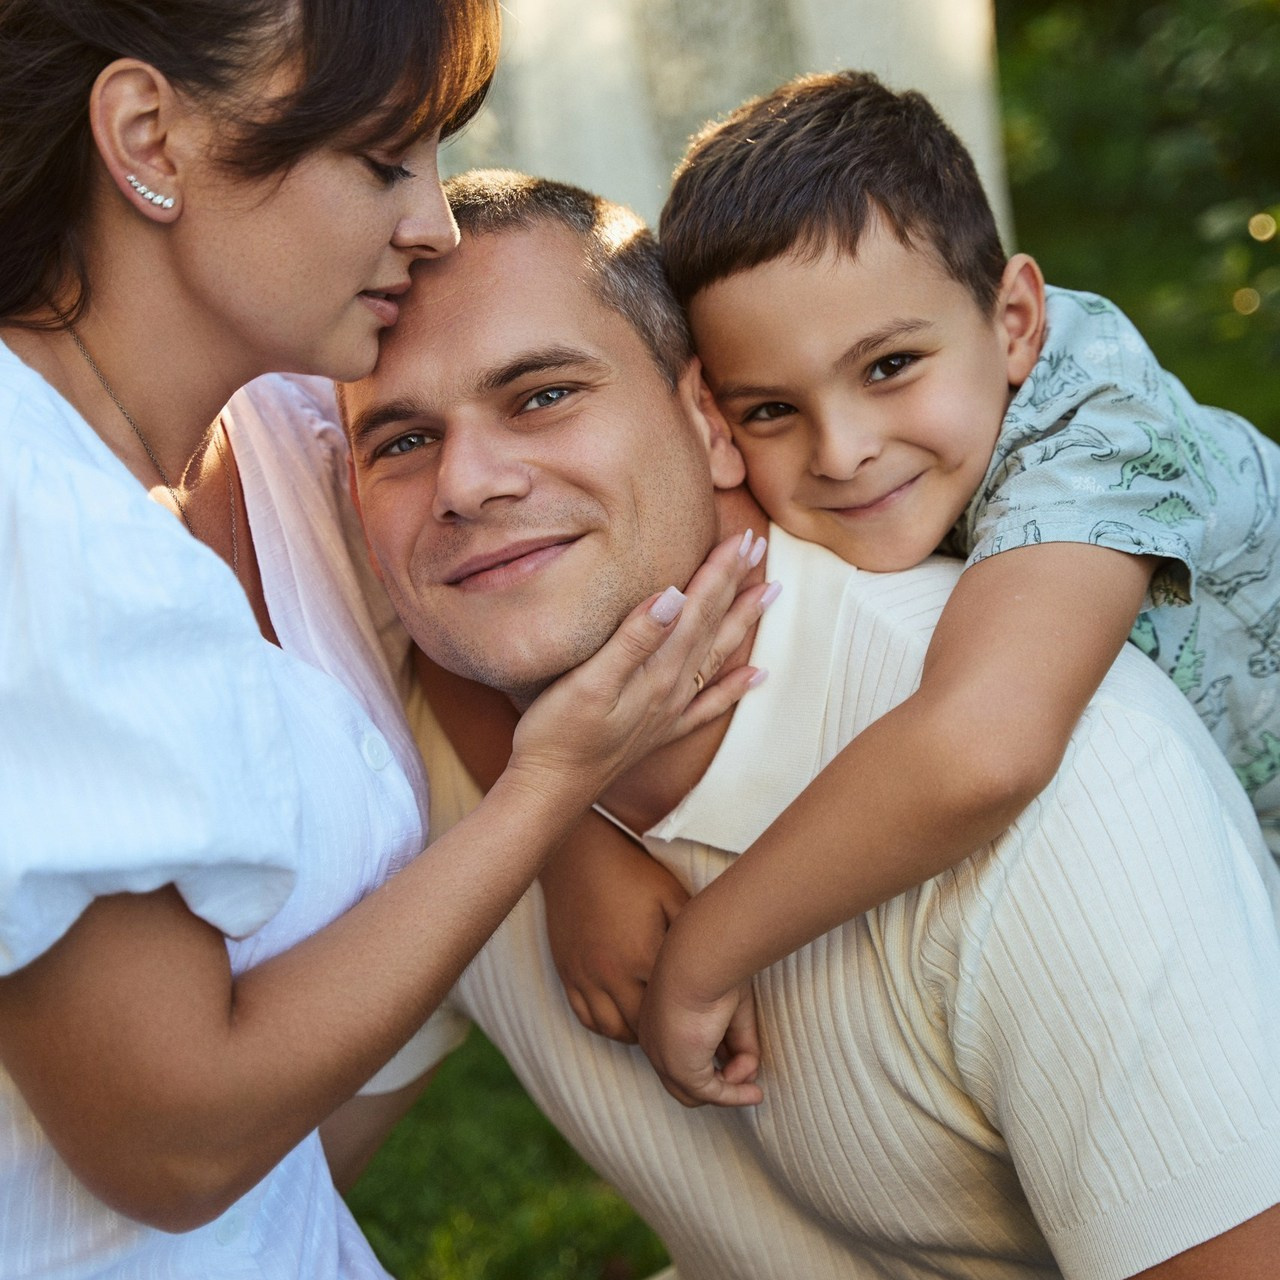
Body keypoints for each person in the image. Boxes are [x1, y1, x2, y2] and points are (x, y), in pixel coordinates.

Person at [341, 169, 1280, 1279]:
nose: (466, 483)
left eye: (542, 394)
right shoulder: (394, 743)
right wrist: (560, 829)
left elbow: (983, 747)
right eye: (400, 442)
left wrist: (701, 953)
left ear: (706, 420)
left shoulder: (1079, 756)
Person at [0, 6, 765, 1276]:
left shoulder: (292, 422)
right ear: (147, 135)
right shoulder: (37, 530)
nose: (433, 223)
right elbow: (170, 1145)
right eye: (380, 160)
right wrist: (549, 795)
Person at [628, 68, 1280, 1105]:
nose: (841, 450)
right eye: (768, 410)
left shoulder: (1100, 424)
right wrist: (577, 857)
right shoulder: (925, 435)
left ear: (1014, 319)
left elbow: (984, 745)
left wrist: (706, 949)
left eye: (887, 366)